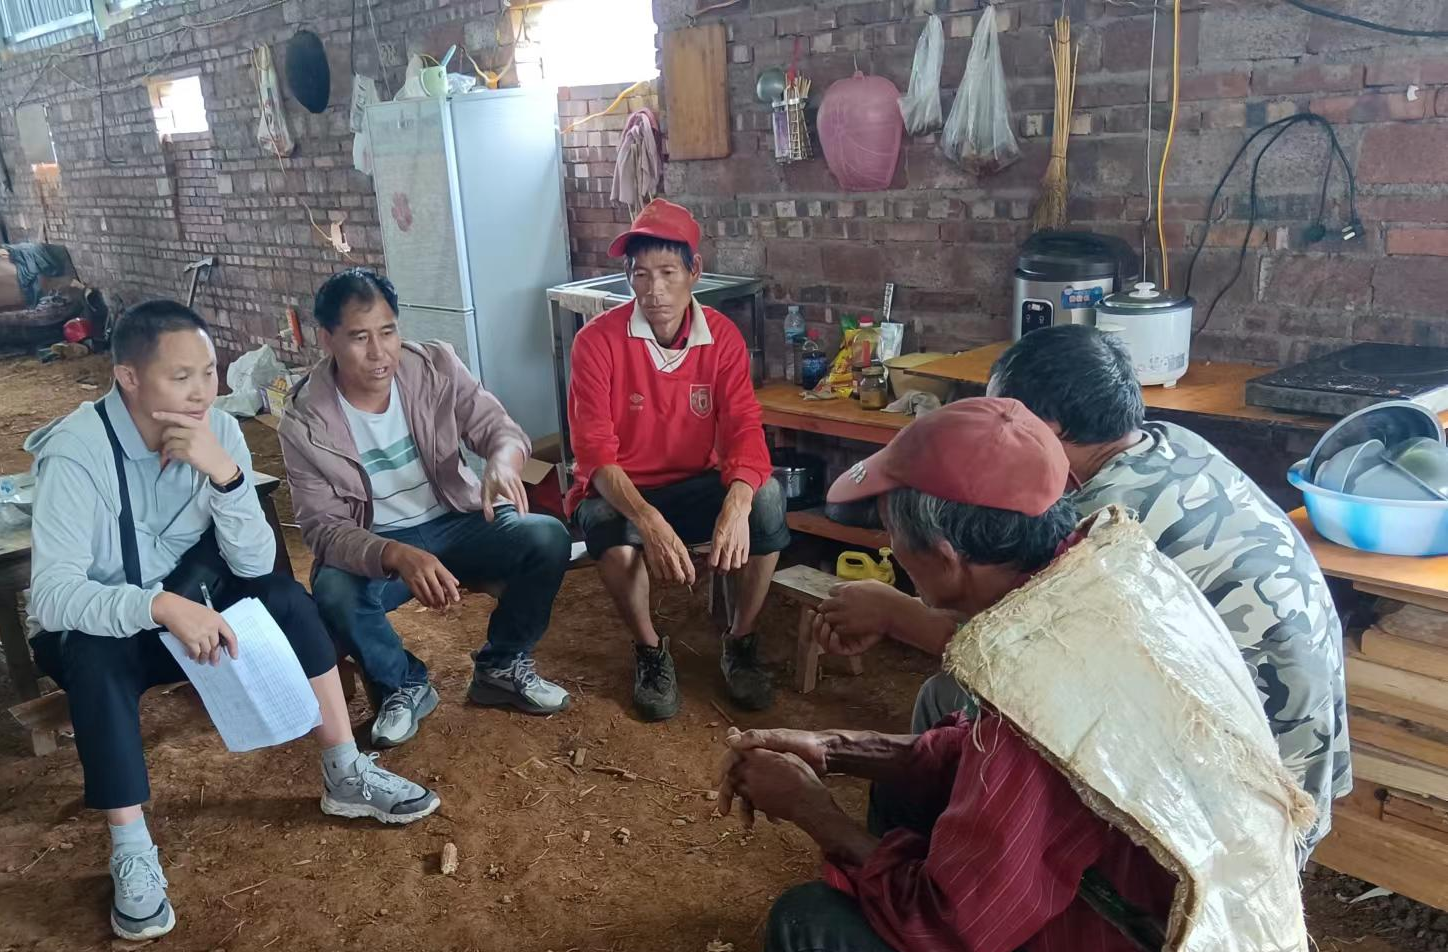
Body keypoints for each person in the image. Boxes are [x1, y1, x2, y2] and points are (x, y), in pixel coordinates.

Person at [612, 400, 1308, 952]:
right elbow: (980, 745)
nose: (892, 557)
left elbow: (952, 922)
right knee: (906, 790)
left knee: (809, 935)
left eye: (896, 544)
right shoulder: (1095, 578)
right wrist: (837, 748)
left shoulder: (1044, 679)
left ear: (942, 558)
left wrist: (814, 811)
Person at [816, 324, 1349, 863]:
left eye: (1009, 420)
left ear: (1046, 431)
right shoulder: (1172, 442)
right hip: (1305, 765)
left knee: (953, 704)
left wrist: (892, 611)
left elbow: (1006, 656)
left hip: (1227, 809)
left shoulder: (1101, 525)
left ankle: (959, 870)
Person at [26, 300, 439, 942]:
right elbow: (53, 597)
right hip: (107, 624)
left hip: (191, 605)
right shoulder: (76, 452)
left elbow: (252, 563)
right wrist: (159, 607)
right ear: (128, 378)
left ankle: (345, 771)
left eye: (209, 371)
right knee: (94, 659)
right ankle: (131, 847)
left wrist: (224, 475)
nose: (202, 392)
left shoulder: (217, 428)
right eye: (180, 377)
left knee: (284, 596)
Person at [279, 268, 573, 748]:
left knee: (546, 537)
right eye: (359, 337)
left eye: (388, 332)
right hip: (377, 542)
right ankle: (403, 684)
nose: (379, 353)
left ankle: (502, 664)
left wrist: (502, 461)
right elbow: (323, 529)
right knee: (334, 591)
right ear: (327, 339)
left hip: (457, 518)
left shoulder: (435, 366)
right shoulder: (304, 419)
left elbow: (498, 428)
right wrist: (395, 554)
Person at [567, 199, 789, 721]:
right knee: (605, 524)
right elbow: (594, 454)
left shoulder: (722, 338)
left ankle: (740, 639)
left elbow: (745, 431)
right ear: (629, 278)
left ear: (694, 272)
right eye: (641, 274)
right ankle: (649, 650)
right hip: (623, 491)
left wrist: (736, 505)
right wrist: (648, 519)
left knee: (767, 498)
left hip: (694, 481)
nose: (654, 290)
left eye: (668, 272)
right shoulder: (595, 342)